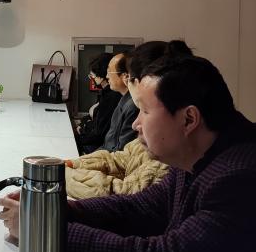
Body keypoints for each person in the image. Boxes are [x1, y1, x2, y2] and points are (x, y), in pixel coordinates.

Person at [0, 55, 256, 252]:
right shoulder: (198, 155)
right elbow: (140, 207)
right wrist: (54, 210)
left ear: (189, 119)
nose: (135, 124)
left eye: (145, 111)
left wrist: (41, 231)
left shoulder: (243, 179)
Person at [65, 41, 192, 199]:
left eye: (145, 111)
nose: (135, 124)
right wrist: (72, 164)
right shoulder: (161, 138)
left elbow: (125, 197)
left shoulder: (170, 157)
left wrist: (62, 176)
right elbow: (122, 158)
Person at [81, 52, 138, 154]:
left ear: (125, 76)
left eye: (109, 72)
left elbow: (118, 151)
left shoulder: (130, 105)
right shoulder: (122, 100)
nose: (107, 76)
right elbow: (109, 142)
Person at [75, 53, 121, 151]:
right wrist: (84, 125)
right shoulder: (104, 93)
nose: (91, 79)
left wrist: (80, 135)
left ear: (102, 76)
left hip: (97, 145)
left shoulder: (112, 97)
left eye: (92, 76)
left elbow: (99, 133)